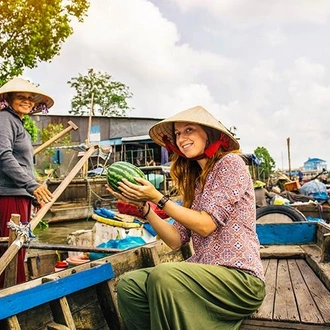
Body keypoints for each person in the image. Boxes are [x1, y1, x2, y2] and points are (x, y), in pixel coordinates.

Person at [107, 105, 265, 330]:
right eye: (178, 134)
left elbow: (205, 225)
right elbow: (174, 239)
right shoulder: (196, 183)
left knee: (164, 275)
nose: (182, 138)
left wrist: (158, 197)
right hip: (204, 276)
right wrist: (145, 209)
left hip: (240, 280)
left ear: (209, 134)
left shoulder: (230, 164)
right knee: (129, 285)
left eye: (189, 130)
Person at [0, 77, 54, 288]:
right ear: (9, 99)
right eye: (21, 97)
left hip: (19, 194)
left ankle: (13, 293)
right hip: (8, 195)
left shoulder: (17, 122)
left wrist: (33, 193)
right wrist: (33, 186)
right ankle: (10, 298)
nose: (26, 101)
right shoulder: (5, 119)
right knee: (11, 250)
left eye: (30, 98)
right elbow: (3, 155)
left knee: (17, 248)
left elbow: (22, 165)